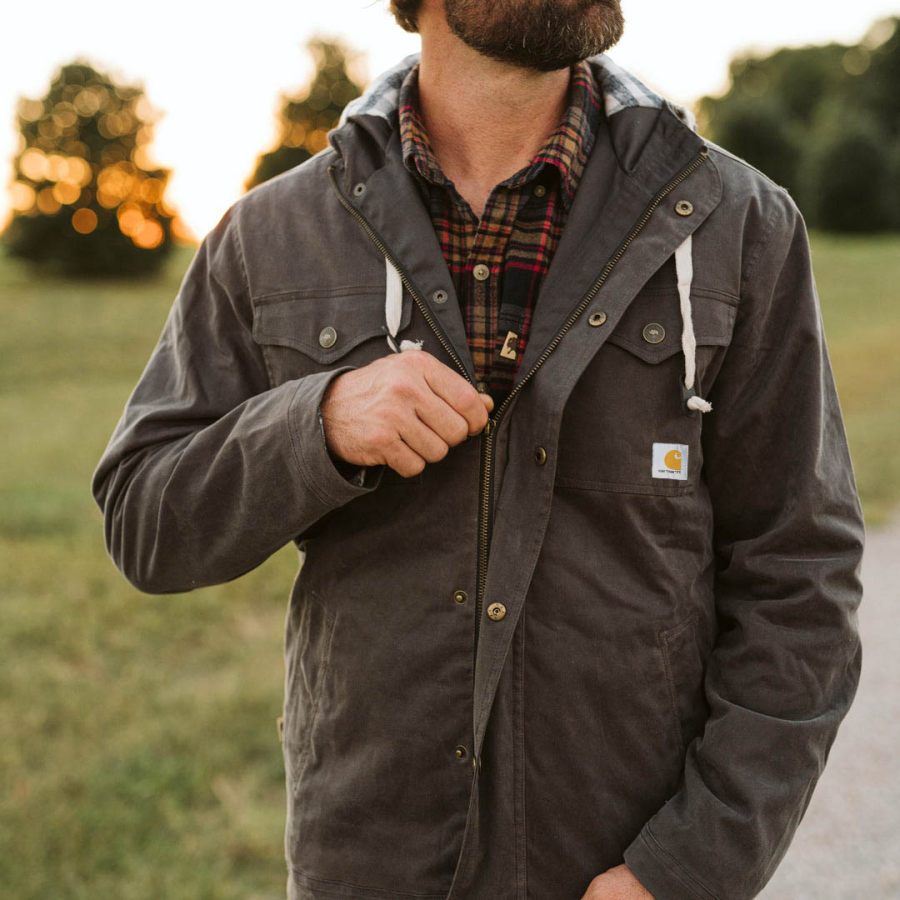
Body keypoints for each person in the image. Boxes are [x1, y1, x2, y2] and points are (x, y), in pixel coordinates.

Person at [92, 0, 865, 897]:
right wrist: (320, 422)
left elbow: (801, 574)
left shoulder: (738, 224)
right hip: (369, 866)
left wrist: (689, 867)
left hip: (618, 869)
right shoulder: (271, 234)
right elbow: (145, 519)